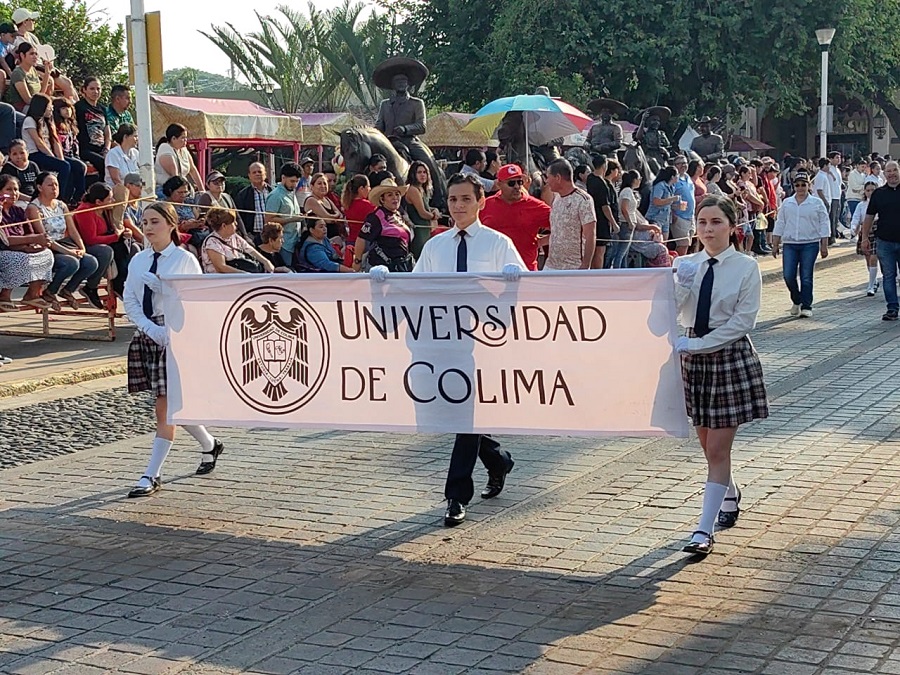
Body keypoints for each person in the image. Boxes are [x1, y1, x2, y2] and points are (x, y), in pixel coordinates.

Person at [406, 173, 525, 526]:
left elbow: (519, 287)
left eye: (465, 199)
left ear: (480, 202)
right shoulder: (435, 246)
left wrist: (507, 285)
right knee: (452, 414)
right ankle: (497, 458)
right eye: (453, 200)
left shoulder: (497, 244)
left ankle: (457, 495)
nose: (458, 206)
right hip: (440, 342)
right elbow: (414, 290)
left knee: (465, 416)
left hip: (482, 343)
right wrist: (383, 283)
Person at [673, 193, 768, 557]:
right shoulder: (685, 263)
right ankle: (729, 493)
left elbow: (744, 321)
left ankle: (703, 530)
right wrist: (679, 285)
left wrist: (699, 345)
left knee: (717, 447)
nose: (708, 230)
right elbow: (664, 313)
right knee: (705, 443)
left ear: (732, 225)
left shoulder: (746, 267)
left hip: (727, 355)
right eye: (702, 222)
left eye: (716, 222)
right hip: (693, 358)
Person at [123, 201, 224, 498]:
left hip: (177, 335)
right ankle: (210, 445)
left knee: (165, 408)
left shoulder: (184, 260)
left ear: (171, 224)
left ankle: (150, 475)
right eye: (145, 222)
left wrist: (165, 292)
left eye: (155, 221)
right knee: (174, 405)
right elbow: (129, 298)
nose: (148, 227)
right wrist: (148, 328)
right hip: (151, 333)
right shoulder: (138, 260)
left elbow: (193, 303)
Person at [26, 172, 100, 310]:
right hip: (47, 247)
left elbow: (72, 230)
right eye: (50, 185)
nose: (54, 188)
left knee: (91, 262)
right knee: (71, 263)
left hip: (64, 242)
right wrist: (69, 252)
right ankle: (50, 291)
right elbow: (44, 238)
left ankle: (68, 290)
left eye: (56, 185)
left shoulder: (61, 205)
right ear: (40, 187)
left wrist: (81, 247)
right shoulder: (34, 208)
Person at [771, 170, 830, 318]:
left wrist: (824, 244)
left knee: (806, 276)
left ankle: (806, 305)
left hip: (810, 243)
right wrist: (775, 242)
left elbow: (824, 223)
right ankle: (796, 299)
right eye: (797, 185)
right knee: (788, 275)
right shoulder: (787, 203)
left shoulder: (816, 203)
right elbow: (781, 222)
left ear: (808, 185)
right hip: (790, 243)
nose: (800, 188)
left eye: (803, 185)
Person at [480, 163, 550, 271]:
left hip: (525, 271)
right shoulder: (485, 205)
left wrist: (542, 241)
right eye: (511, 183)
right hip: (492, 271)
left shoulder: (535, 206)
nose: (517, 186)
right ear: (499, 184)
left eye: (520, 182)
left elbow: (563, 227)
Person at [0, 175, 52, 311]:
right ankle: (4, 296)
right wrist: (30, 242)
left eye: (16, 189)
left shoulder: (18, 210)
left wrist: (36, 242)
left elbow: (29, 232)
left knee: (47, 254)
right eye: (9, 189)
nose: (14, 193)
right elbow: (5, 240)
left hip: (22, 248)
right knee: (18, 259)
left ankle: (32, 294)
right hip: (5, 250)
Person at [21, 93, 85, 203]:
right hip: (35, 153)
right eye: (49, 105)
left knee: (78, 166)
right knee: (64, 166)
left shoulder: (48, 121)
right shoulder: (30, 120)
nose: (52, 108)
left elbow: (55, 141)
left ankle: (77, 198)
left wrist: (60, 158)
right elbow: (39, 142)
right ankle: (60, 198)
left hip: (48, 153)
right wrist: (52, 157)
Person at [862, 160, 900, 321]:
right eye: (888, 171)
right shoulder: (879, 193)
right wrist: (864, 237)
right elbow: (869, 217)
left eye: (895, 170)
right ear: (884, 175)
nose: (892, 174)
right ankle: (892, 307)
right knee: (888, 275)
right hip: (885, 241)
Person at [71, 182, 124, 298]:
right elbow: (91, 239)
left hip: (102, 241)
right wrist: (115, 237)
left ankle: (121, 281)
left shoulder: (105, 209)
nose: (113, 201)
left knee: (131, 247)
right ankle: (91, 287)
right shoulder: (85, 211)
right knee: (106, 251)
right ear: (98, 202)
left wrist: (123, 233)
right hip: (86, 245)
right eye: (110, 199)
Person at [542, 158, 596, 270]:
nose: (546, 181)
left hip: (573, 268)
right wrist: (538, 242)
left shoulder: (583, 200)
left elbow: (590, 234)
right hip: (551, 265)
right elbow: (558, 232)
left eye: (548, 177)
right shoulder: (556, 199)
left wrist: (586, 265)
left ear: (558, 178)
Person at [352, 178, 413, 272]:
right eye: (390, 195)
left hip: (400, 266)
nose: (395, 198)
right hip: (382, 270)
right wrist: (357, 261)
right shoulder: (375, 217)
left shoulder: (398, 215)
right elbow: (361, 239)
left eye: (397, 194)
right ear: (382, 199)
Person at [617, 170, 671, 267]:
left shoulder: (629, 193)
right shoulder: (627, 191)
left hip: (631, 226)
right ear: (634, 180)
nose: (640, 180)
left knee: (623, 254)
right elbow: (624, 208)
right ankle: (619, 272)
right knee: (621, 253)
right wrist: (630, 222)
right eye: (639, 179)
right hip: (628, 226)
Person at [201, 207, 274, 275]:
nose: (236, 224)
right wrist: (244, 274)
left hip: (239, 276)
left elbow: (249, 249)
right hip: (221, 281)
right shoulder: (212, 242)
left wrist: (266, 262)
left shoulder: (234, 236)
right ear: (224, 226)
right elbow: (221, 267)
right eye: (233, 222)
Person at [265, 162, 306, 263]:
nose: (294, 185)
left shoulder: (291, 192)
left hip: (294, 241)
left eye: (297, 181)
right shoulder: (275, 195)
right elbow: (269, 220)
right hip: (283, 244)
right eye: (292, 181)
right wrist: (292, 219)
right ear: (283, 177)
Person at [849, 178, 881, 297]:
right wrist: (853, 229)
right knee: (868, 259)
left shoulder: (881, 202)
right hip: (865, 232)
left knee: (874, 258)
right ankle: (874, 280)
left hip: (879, 231)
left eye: (873, 190)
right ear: (865, 192)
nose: (870, 192)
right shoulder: (861, 205)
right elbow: (856, 218)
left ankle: (870, 285)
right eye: (868, 190)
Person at [74, 77, 110, 179]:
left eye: (98, 89)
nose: (95, 91)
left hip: (101, 148)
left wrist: (107, 148)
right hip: (85, 149)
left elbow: (107, 131)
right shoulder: (79, 107)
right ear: (84, 90)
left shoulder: (102, 109)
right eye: (92, 88)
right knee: (103, 163)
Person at [404, 160, 440, 258]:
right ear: (413, 174)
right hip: (418, 230)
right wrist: (435, 216)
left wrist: (434, 210)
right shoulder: (413, 190)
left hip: (426, 229)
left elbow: (426, 207)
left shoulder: (421, 189)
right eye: (419, 172)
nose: (423, 175)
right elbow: (422, 213)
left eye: (425, 172)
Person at [585, 155, 616, 269]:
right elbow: (605, 206)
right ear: (604, 165)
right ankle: (597, 272)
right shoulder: (602, 184)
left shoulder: (590, 178)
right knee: (600, 251)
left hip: (591, 216)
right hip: (601, 220)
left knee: (594, 249)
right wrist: (613, 222)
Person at [154, 123, 201, 197]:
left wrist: (202, 190)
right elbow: (174, 176)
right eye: (183, 138)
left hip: (183, 190)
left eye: (186, 137)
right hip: (166, 191)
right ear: (173, 139)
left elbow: (193, 169)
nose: (186, 140)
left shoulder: (184, 149)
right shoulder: (165, 148)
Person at [341, 174, 375, 267]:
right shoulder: (369, 205)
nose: (370, 189)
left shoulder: (347, 204)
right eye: (368, 187)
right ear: (361, 189)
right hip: (365, 245)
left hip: (350, 242)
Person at [303, 172, 346, 245]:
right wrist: (335, 217)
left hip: (334, 240)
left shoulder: (327, 199)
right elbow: (328, 219)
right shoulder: (311, 200)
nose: (323, 186)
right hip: (319, 242)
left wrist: (335, 217)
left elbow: (341, 216)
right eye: (319, 183)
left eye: (325, 183)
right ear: (312, 186)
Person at [6, 41, 50, 112]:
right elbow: (28, 100)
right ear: (22, 55)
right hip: (22, 108)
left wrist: (47, 72)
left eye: (36, 54)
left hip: (35, 105)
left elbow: (41, 93)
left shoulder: (33, 70)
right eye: (31, 54)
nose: (35, 57)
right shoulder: (18, 73)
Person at [234, 162, 271, 245]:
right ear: (249, 176)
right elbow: (239, 217)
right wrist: (246, 235)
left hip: (272, 235)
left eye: (260, 172)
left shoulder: (273, 192)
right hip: (253, 236)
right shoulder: (242, 195)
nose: (257, 174)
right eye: (254, 172)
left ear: (265, 174)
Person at [644, 166, 680, 246]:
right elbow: (656, 201)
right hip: (656, 217)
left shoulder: (672, 187)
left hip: (666, 218)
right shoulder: (660, 186)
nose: (678, 177)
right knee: (656, 243)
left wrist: (677, 207)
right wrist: (672, 199)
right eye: (677, 175)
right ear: (672, 176)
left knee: (664, 243)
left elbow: (666, 204)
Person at [814, 152, 841, 244]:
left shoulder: (833, 171)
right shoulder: (821, 175)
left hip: (835, 196)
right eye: (836, 157)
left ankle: (831, 236)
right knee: (828, 219)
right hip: (828, 199)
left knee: (835, 218)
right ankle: (829, 238)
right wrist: (825, 201)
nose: (839, 159)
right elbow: (819, 190)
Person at [671, 155, 696, 256]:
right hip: (679, 216)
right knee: (682, 245)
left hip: (690, 216)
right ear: (675, 165)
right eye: (680, 163)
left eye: (685, 163)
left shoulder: (688, 177)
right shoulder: (673, 180)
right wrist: (673, 215)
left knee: (688, 244)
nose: (683, 165)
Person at [104, 123, 139, 187]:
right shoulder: (113, 154)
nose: (137, 139)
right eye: (135, 136)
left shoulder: (136, 153)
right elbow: (116, 180)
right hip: (118, 193)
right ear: (125, 137)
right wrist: (129, 192)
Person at [52, 98, 79, 163]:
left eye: (69, 107)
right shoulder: (56, 126)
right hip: (62, 155)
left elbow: (75, 142)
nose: (67, 110)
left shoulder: (71, 124)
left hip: (72, 155)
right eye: (63, 108)